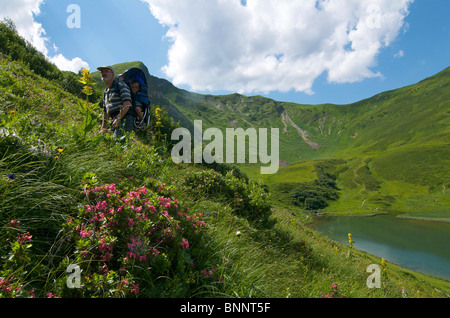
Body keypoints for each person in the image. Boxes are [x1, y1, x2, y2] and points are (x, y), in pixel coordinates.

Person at [98, 65, 134, 141]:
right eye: (102, 72)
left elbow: (127, 104)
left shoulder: (120, 85)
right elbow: (105, 112)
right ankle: (136, 146)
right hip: (114, 119)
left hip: (125, 118)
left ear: (113, 75)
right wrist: (103, 128)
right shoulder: (105, 92)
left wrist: (118, 118)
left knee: (118, 142)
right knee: (120, 141)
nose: (103, 73)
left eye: (106, 71)